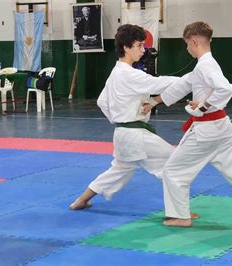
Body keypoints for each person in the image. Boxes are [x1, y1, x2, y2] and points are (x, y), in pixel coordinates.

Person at [147, 22, 232, 227]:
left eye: (187, 44)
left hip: (205, 132)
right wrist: (154, 101)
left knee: (173, 171)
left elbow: (226, 89)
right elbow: (185, 83)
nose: (187, 49)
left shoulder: (205, 65)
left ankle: (180, 216)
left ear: (194, 41)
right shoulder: (206, 64)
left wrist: (203, 106)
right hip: (222, 130)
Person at [69, 24, 198, 218]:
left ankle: (81, 200)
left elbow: (101, 101)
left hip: (122, 134)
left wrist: (119, 117)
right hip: (136, 135)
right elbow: (158, 83)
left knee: (119, 170)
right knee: (175, 163)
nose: (143, 49)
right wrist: (193, 78)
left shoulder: (116, 73)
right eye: (139, 45)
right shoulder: (128, 74)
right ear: (127, 47)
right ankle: (179, 212)